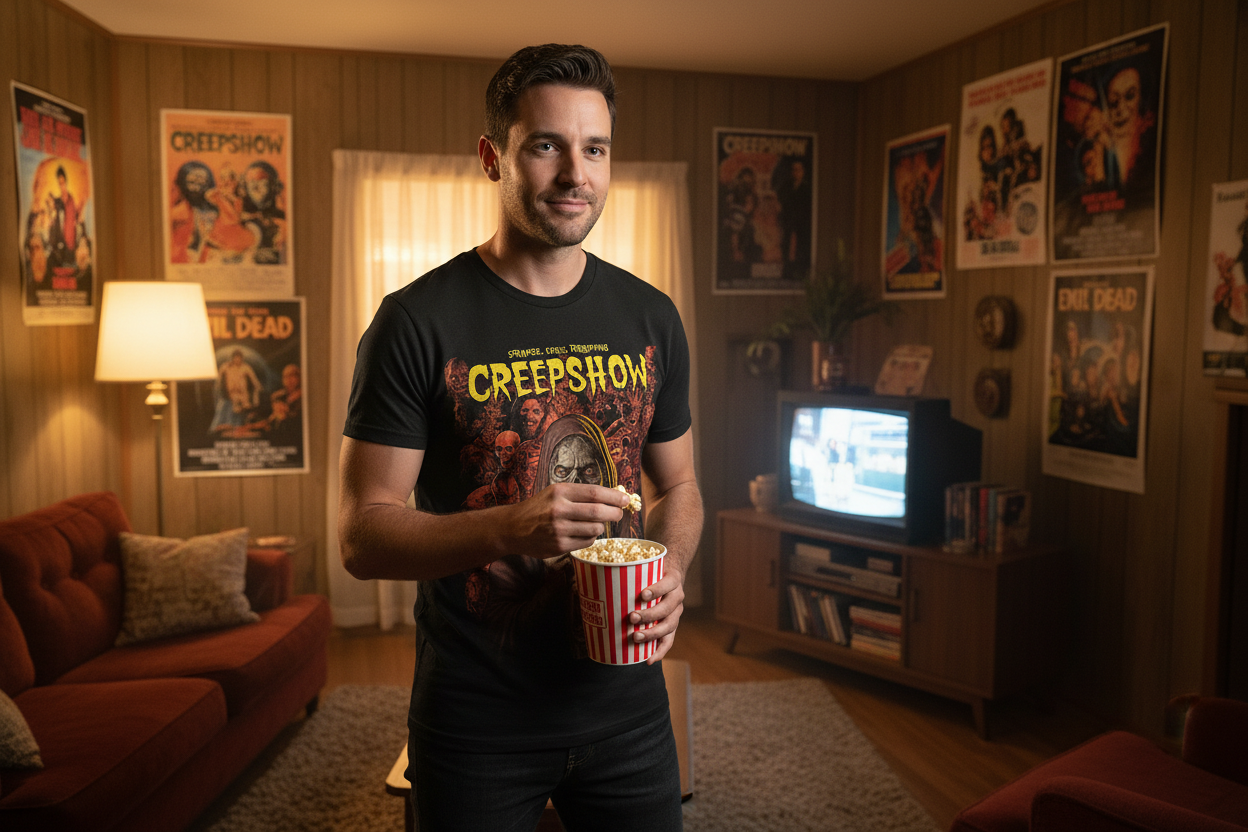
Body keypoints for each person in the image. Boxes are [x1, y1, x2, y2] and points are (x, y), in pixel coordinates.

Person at [337, 43, 702, 832]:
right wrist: (510, 526)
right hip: (477, 719)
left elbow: (681, 487)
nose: (577, 173)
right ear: (492, 158)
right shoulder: (415, 323)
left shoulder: (651, 317)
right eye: (546, 145)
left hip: (629, 709)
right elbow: (362, 536)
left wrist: (669, 569)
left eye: (595, 148)